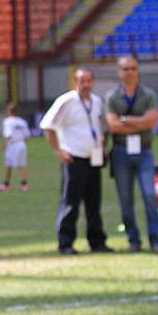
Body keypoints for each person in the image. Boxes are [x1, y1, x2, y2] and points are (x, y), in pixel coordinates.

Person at [41, 69, 112, 255]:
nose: (86, 85)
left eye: (89, 81)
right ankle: (65, 242)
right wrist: (58, 150)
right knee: (70, 202)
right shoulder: (66, 101)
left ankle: (97, 241)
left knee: (94, 202)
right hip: (74, 158)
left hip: (94, 157)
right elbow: (48, 125)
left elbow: (99, 126)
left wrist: (102, 145)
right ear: (75, 83)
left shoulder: (96, 101)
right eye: (82, 81)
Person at [105, 56, 158, 253]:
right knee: (125, 199)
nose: (129, 72)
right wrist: (139, 122)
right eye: (125, 69)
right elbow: (112, 126)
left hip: (145, 151)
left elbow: (151, 121)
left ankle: (155, 238)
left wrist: (125, 121)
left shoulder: (149, 94)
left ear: (138, 71)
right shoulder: (112, 96)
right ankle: (134, 239)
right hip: (120, 152)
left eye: (133, 68)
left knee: (149, 195)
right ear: (119, 72)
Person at [0, 102, 30, 192]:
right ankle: (24, 185)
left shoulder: (8, 121)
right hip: (22, 144)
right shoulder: (22, 121)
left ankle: (6, 184)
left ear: (8, 111)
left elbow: (8, 134)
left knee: (8, 165)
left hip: (12, 144)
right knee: (22, 165)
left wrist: (4, 144)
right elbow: (27, 135)